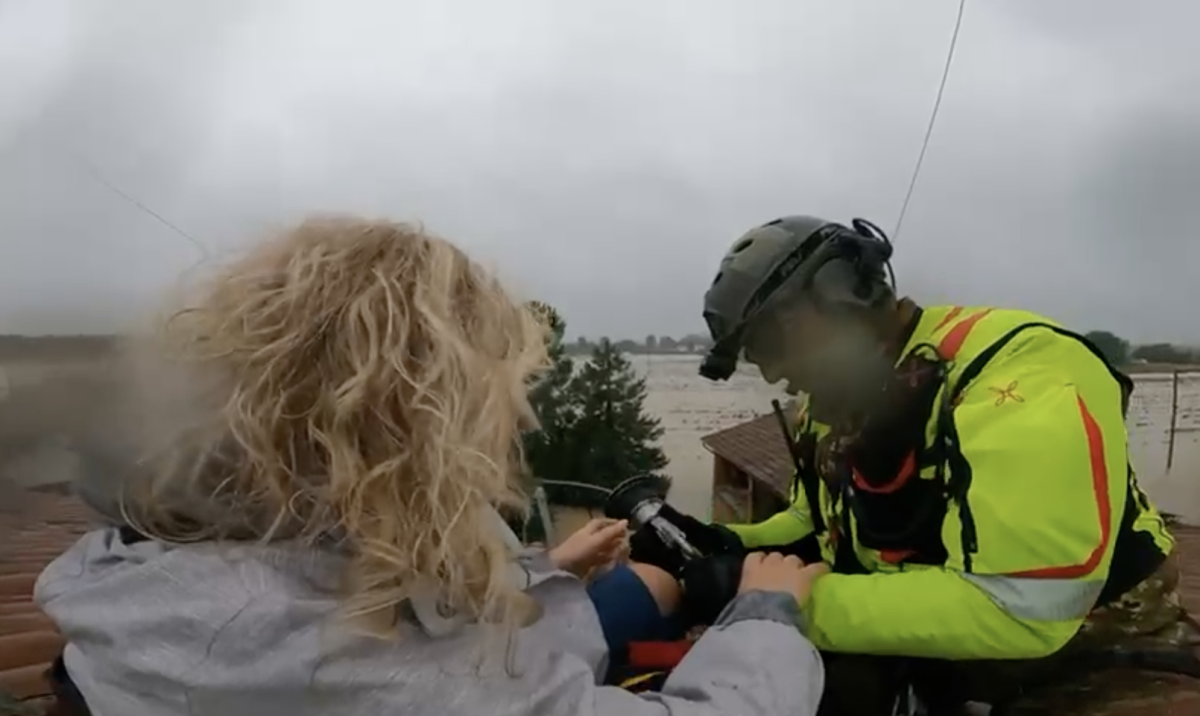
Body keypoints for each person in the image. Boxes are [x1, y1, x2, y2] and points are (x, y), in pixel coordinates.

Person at [33, 216, 827, 716]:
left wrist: (543, 568)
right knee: (680, 596)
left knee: (651, 582)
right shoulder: (370, 679)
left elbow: (339, 584)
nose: (517, 422)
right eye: (493, 400)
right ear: (409, 429)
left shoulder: (154, 549)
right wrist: (767, 617)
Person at [651, 215, 1193, 714]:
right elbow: (817, 521)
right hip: (933, 653)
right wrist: (726, 544)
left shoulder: (1022, 370)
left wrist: (771, 605)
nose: (771, 374)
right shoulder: (830, 399)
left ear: (845, 297)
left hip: (1104, 654)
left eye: (772, 343)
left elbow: (1024, 605)